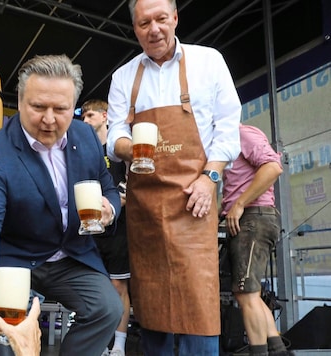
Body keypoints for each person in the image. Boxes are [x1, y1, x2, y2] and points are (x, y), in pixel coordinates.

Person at [0, 54, 123, 356]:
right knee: (1, 320)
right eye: (38, 107)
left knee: (107, 308)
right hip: (16, 256)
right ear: (21, 102)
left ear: (73, 106)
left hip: (72, 255)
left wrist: (109, 209)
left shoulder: (85, 135)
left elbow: (108, 186)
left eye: (60, 109)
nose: (49, 119)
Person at [106, 0, 241, 354]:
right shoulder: (124, 76)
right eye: (144, 23)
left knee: (199, 300)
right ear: (134, 28)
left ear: (176, 18)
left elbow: (228, 128)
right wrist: (132, 148)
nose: (154, 29)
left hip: (193, 198)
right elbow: (113, 137)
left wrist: (210, 178)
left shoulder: (208, 61)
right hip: (145, 206)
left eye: (161, 19)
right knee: (151, 303)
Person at [221, 124, 291, 356]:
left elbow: (273, 167)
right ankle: (279, 351)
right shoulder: (227, 141)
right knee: (248, 293)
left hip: (253, 217)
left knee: (247, 294)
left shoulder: (241, 133)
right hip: (251, 219)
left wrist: (240, 204)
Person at [81, 99, 131, 356]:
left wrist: (113, 205)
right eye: (83, 116)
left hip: (119, 227)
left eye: (90, 115)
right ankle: (99, 344)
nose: (85, 120)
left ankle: (119, 346)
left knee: (118, 286)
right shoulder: (83, 151)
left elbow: (132, 185)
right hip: (89, 228)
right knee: (93, 287)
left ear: (105, 116)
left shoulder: (120, 148)